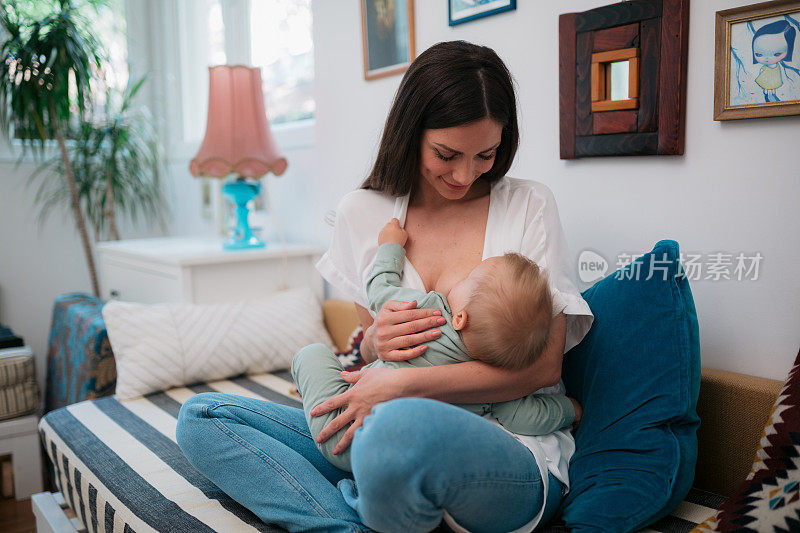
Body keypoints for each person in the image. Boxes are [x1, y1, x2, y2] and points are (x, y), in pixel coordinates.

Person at [176, 40, 593, 533]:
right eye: (446, 154)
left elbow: (542, 368)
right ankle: (343, 525)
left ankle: (375, 491)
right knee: (202, 417)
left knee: (396, 431)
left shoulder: (528, 206)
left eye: (486, 154)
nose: (465, 174)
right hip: (382, 427)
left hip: (507, 447)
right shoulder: (363, 213)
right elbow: (372, 346)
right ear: (411, 131)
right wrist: (376, 342)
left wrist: (404, 384)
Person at [292, 217, 581, 472]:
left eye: (469, 278)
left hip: (338, 434)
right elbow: (527, 418)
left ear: (459, 318)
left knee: (311, 354)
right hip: (398, 461)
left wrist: (390, 247)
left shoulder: (431, 312)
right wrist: (570, 409)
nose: (462, 278)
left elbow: (379, 291)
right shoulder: (494, 387)